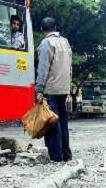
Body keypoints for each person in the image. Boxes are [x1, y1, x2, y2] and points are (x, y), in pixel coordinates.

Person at [36, 17, 73, 162]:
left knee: (52, 123)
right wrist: (68, 88)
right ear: (56, 27)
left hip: (50, 89)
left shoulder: (46, 43)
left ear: (41, 29)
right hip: (63, 89)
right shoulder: (65, 42)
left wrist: (39, 89)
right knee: (63, 122)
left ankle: (56, 156)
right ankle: (66, 155)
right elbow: (69, 66)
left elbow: (43, 69)